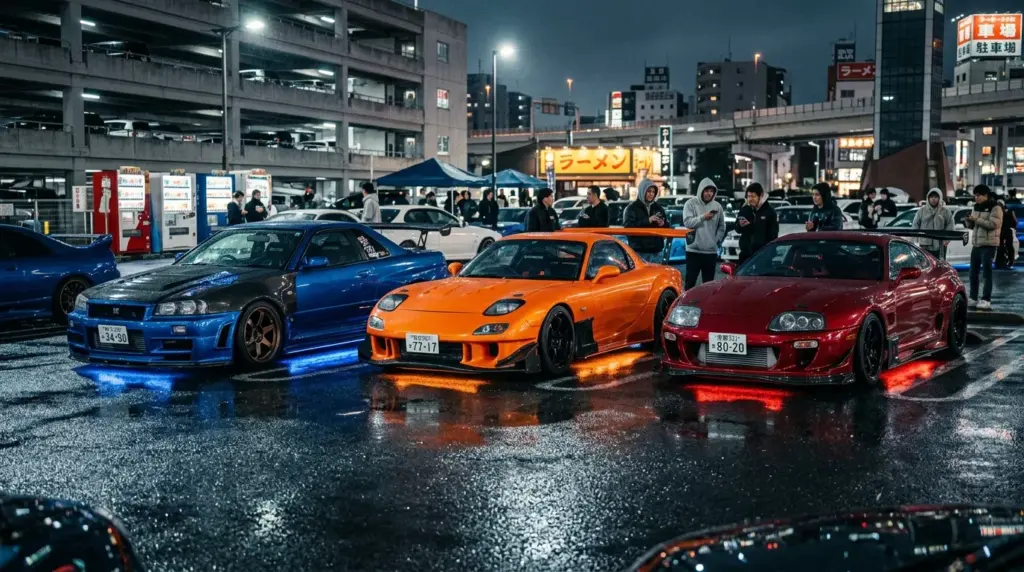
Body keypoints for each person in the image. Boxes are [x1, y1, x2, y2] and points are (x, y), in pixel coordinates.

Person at [682, 178, 726, 289]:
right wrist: (703, 218)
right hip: (693, 250)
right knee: (690, 283)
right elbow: (687, 222)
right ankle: (686, 304)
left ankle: (706, 305)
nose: (709, 193)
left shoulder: (717, 206)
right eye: (706, 191)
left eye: (711, 191)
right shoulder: (690, 204)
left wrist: (716, 240)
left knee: (709, 285)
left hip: (710, 252)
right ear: (701, 190)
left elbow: (722, 226)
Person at [964, 184, 1002, 310]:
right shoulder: (976, 207)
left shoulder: (995, 208)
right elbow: (973, 226)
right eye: (975, 195)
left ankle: (986, 299)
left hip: (989, 245)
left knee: (987, 273)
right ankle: (973, 297)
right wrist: (968, 221)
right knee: (972, 273)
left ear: (986, 195)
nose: (976, 198)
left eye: (979, 195)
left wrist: (976, 219)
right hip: (977, 244)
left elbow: (993, 224)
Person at [624, 180, 670, 264]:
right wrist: (648, 220)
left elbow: (667, 227)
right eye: (649, 191)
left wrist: (663, 224)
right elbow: (628, 228)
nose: (651, 194)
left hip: (656, 251)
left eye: (653, 192)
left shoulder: (658, 208)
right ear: (642, 191)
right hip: (639, 251)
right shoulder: (631, 208)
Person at [735, 182, 779, 264]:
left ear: (760, 196)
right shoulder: (745, 209)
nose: (750, 199)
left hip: (763, 255)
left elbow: (773, 235)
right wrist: (741, 225)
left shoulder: (769, 211)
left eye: (753, 196)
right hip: (746, 254)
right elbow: (737, 228)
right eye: (748, 196)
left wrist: (751, 226)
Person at [912, 188, 954, 259]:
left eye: (935, 197)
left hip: (940, 245)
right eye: (931, 197)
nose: (933, 199)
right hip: (924, 245)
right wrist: (916, 240)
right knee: (925, 265)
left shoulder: (945, 211)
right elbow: (915, 225)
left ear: (939, 198)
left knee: (940, 266)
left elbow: (950, 226)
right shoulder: (921, 211)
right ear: (928, 198)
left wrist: (946, 240)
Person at [996, 198, 1018, 269]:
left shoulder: (998, 212)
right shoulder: (1010, 211)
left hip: (1001, 231)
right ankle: (1010, 261)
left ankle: (1000, 262)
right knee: (1009, 246)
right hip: (1008, 230)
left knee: (1000, 246)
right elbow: (1015, 221)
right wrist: (1013, 227)